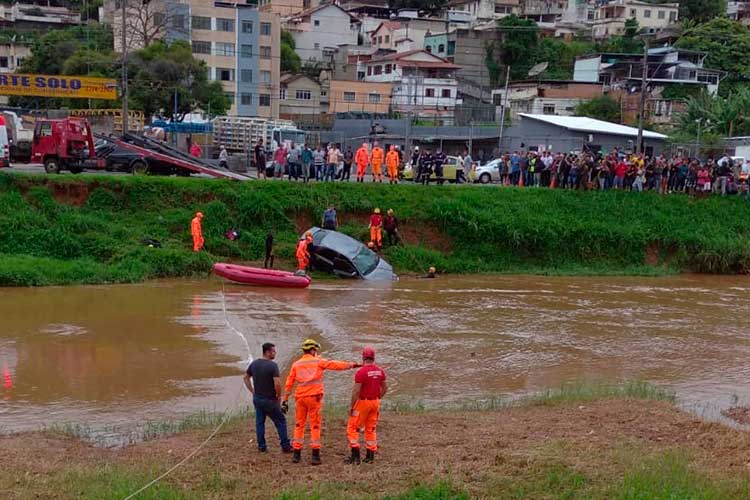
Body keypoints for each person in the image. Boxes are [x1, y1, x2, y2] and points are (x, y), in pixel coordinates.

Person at [283, 339, 359, 465]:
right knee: (315, 425)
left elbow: (289, 383)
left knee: (299, 425)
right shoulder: (318, 361)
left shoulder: (296, 364)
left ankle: (296, 454)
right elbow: (335, 365)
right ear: (313, 350)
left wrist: (285, 400)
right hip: (314, 398)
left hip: (300, 398)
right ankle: (315, 456)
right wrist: (352, 365)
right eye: (316, 350)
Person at [243, 343, 291, 453]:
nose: (275, 353)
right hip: (270, 400)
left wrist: (252, 391)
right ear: (267, 352)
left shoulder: (254, 364)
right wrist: (279, 396)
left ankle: (262, 446)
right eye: (273, 351)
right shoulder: (272, 366)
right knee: (281, 421)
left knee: (260, 422)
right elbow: (277, 383)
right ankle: (286, 446)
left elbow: (245, 377)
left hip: (257, 399)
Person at [345, 346, 387, 465]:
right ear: (373, 357)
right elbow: (385, 388)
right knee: (371, 428)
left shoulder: (361, 372)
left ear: (363, 357)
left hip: (363, 402)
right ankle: (370, 456)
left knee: (352, 428)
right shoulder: (380, 371)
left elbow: (356, 392)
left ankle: (355, 457)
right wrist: (378, 398)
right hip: (375, 402)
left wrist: (352, 406)